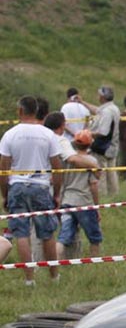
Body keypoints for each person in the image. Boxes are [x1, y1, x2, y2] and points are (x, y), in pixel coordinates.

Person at [0, 96, 65, 285]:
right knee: (47, 233)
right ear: (36, 110)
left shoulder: (10, 135)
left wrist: (5, 194)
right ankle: (54, 276)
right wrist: (57, 193)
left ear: (20, 111)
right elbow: (57, 167)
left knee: (21, 234)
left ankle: (29, 279)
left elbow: (4, 168)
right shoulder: (47, 134)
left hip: (18, 186)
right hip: (41, 185)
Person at [56, 129, 102, 258]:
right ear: (90, 144)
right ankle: (95, 263)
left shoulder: (68, 160)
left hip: (67, 201)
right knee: (94, 237)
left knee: (64, 237)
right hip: (84, 202)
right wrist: (96, 206)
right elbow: (93, 185)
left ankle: (56, 263)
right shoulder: (91, 161)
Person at [88, 85, 120, 197]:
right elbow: (97, 110)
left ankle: (102, 197)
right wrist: (83, 102)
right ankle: (114, 197)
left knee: (100, 175)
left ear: (102, 96)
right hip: (112, 147)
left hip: (102, 148)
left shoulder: (107, 112)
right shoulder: (113, 108)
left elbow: (103, 132)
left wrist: (88, 134)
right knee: (112, 175)